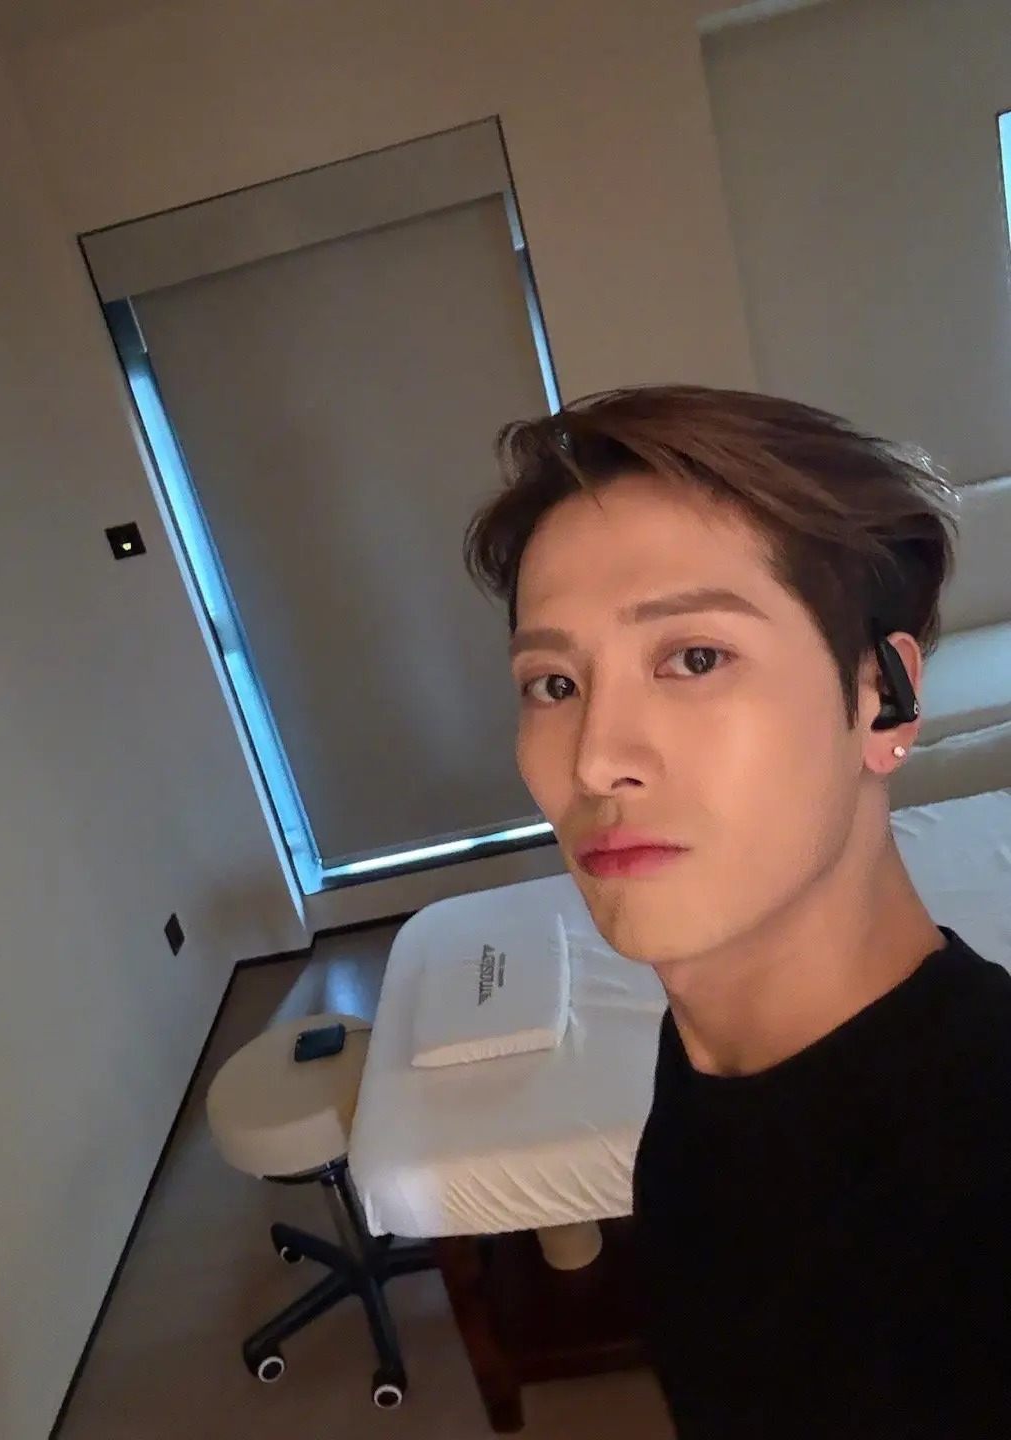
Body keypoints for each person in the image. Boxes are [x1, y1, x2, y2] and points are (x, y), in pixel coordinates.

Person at [463, 385, 1011, 1440]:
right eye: (554, 683)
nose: (596, 759)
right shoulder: (710, 1066)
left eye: (695, 658)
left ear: (883, 698)